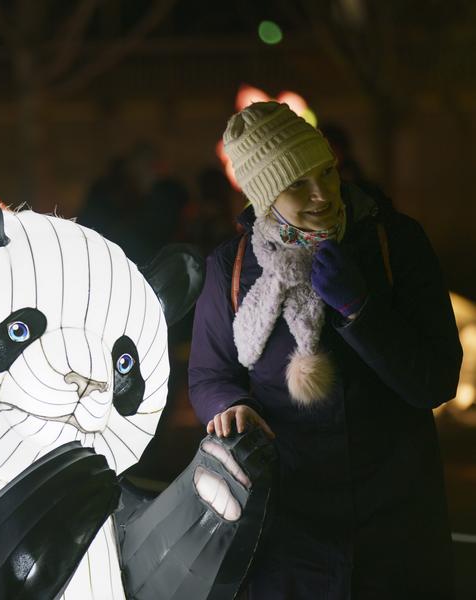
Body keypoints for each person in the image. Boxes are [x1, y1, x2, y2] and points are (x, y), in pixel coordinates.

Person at [188, 102, 461, 598]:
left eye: (327, 171)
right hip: (288, 536)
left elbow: (436, 381)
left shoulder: (394, 244)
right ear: (265, 195)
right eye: (296, 184)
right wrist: (231, 407)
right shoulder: (231, 266)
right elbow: (210, 375)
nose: (322, 194)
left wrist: (360, 310)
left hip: (396, 529)